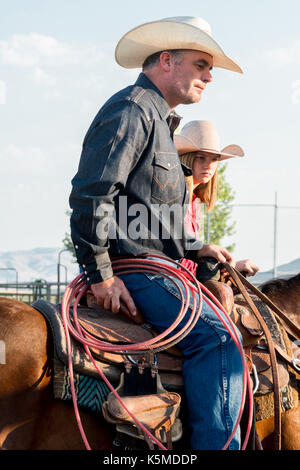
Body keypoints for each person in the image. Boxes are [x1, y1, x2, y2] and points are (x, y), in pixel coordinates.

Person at [69, 16, 245, 450]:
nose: (208, 76)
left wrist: (195, 245)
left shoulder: (159, 120)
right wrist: (101, 276)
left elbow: (148, 213)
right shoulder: (131, 109)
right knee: (219, 339)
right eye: (202, 64)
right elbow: (92, 194)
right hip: (137, 272)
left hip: (158, 266)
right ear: (167, 60)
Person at [174, 120, 260, 281]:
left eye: (214, 159)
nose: (208, 165)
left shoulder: (194, 203)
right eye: (201, 157)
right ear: (186, 158)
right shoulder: (173, 197)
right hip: (173, 280)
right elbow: (176, 255)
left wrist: (229, 266)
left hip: (184, 281)